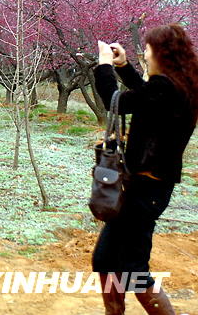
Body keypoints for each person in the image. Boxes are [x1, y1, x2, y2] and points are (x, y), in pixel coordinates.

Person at [92, 24, 198, 314]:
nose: (145, 54)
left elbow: (117, 102)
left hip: (146, 192)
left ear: (161, 53)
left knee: (134, 270)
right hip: (143, 188)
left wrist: (103, 67)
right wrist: (124, 66)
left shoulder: (165, 88)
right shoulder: (177, 86)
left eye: (148, 49)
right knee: (105, 260)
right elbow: (145, 98)